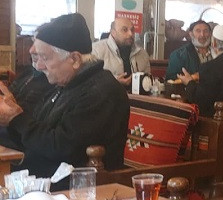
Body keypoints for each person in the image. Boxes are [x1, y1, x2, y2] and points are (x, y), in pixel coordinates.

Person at [0, 13, 129, 178]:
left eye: (44, 58)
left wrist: (17, 118)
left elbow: (61, 148)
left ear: (74, 59)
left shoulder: (102, 92)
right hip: (40, 176)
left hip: (77, 189)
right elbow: (35, 135)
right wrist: (10, 115)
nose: (38, 66)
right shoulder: (65, 84)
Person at [92, 17, 151, 86]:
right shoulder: (97, 50)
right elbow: (90, 81)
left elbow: (148, 79)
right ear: (113, 32)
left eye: (132, 30)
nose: (130, 34)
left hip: (136, 96)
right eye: (124, 30)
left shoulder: (142, 53)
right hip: (107, 95)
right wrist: (113, 81)